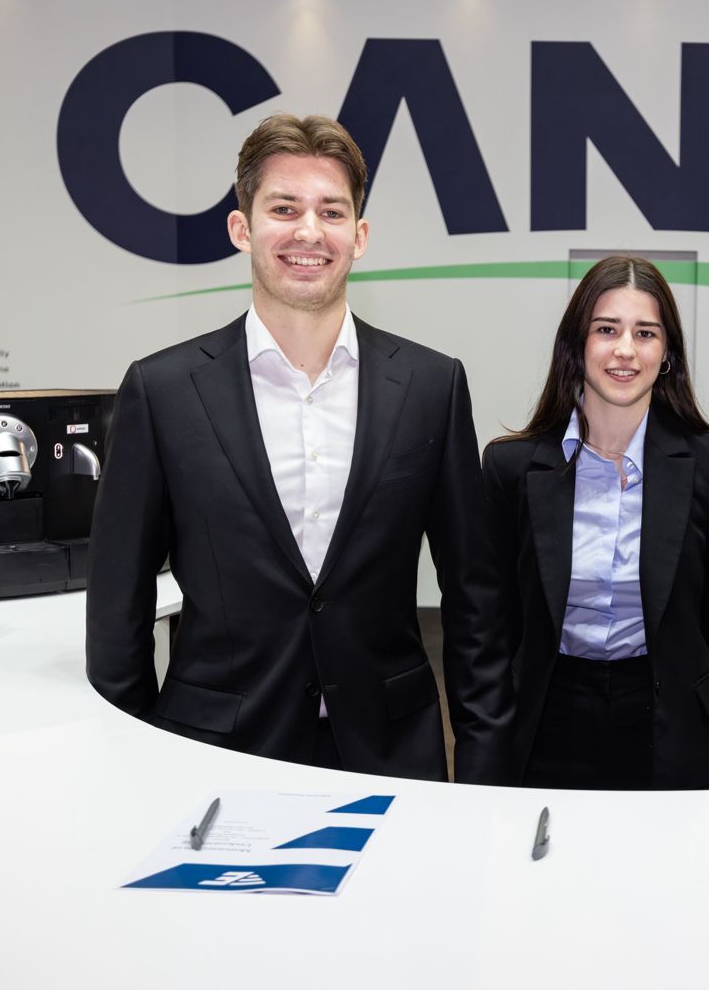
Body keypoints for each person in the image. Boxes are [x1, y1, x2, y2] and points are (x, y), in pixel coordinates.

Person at [86, 114, 511, 784]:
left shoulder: (432, 386)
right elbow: (119, 606)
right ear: (242, 228)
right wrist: (133, 760)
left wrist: (483, 770)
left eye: (331, 211)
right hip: (213, 755)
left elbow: (475, 600)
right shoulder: (161, 391)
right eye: (284, 208)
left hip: (389, 754)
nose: (309, 231)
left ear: (359, 236)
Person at [481, 256, 709, 790]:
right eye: (606, 329)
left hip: (672, 724)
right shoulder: (511, 467)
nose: (625, 349)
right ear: (576, 343)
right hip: (546, 722)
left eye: (645, 333)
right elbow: (495, 622)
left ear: (667, 352)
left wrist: (695, 704)